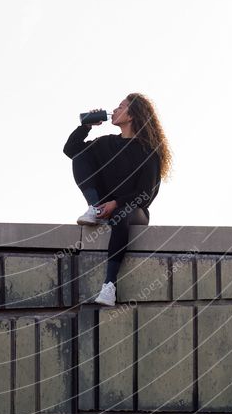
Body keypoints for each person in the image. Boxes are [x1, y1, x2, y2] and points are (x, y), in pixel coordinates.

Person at [62, 93, 172, 306]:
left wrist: (116, 203)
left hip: (133, 210)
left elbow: (145, 194)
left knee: (122, 214)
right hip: (104, 206)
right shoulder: (106, 143)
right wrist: (87, 126)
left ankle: (109, 286)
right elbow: (71, 150)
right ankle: (93, 208)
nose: (116, 109)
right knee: (81, 156)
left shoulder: (147, 152)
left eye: (121, 106)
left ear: (132, 115)